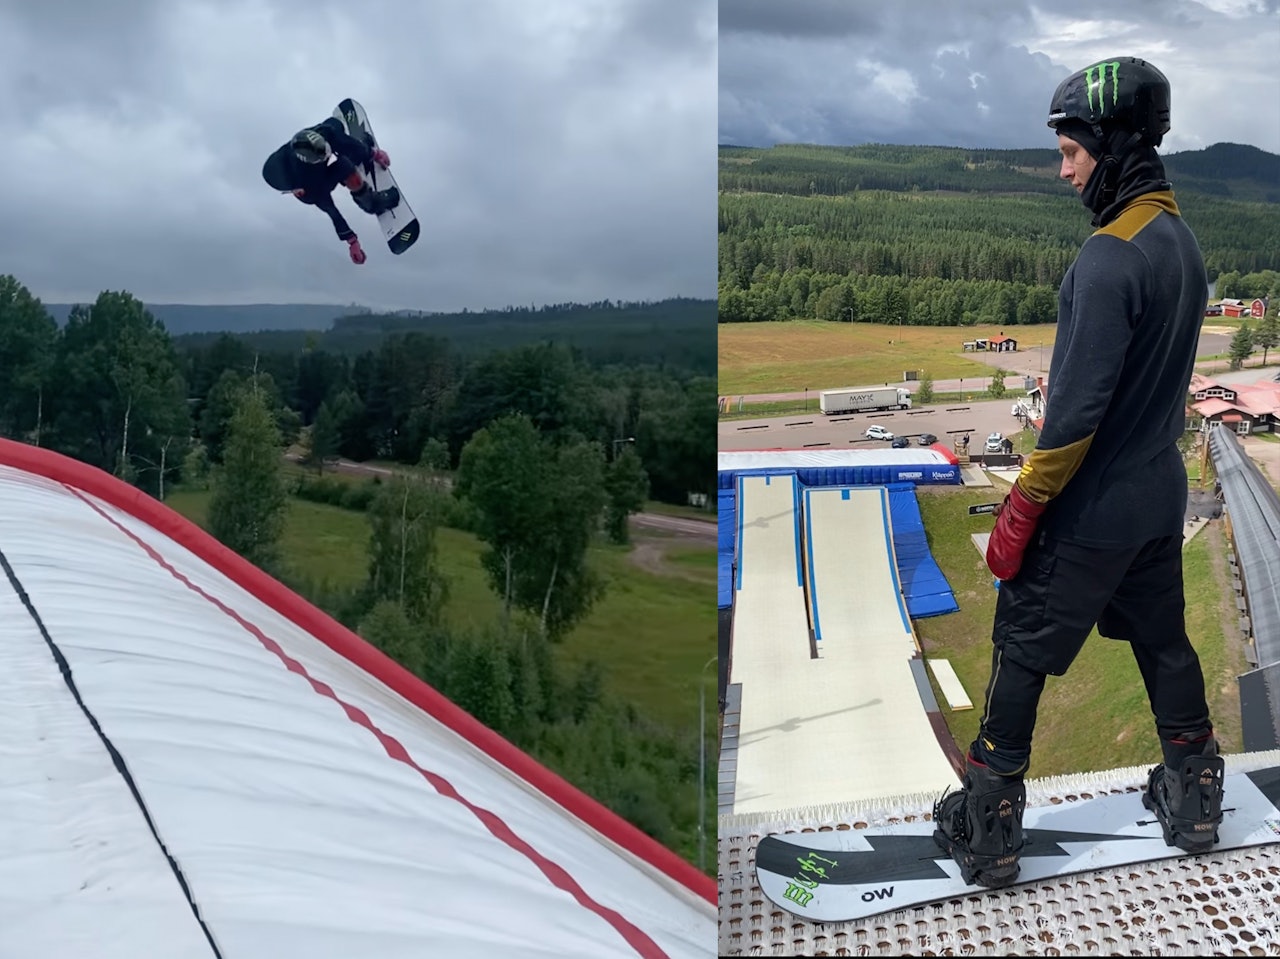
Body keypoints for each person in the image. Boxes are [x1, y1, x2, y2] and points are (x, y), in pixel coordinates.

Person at [933, 57, 1224, 888]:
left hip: (1091, 505)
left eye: (1071, 152)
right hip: (1157, 495)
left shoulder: (1108, 257)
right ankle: (1196, 791)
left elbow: (1072, 416)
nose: (1064, 172)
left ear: (1115, 143)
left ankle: (989, 819)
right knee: (1165, 641)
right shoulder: (1181, 243)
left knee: (1021, 647)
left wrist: (1024, 502)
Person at [261, 117, 400, 265]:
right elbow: (330, 209)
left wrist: (373, 153)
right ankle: (371, 203)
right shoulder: (306, 184)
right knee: (343, 165)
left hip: (317, 145)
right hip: (309, 180)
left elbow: (338, 138)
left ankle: (358, 154)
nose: (328, 155)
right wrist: (351, 240)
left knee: (336, 124)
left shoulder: (323, 133)